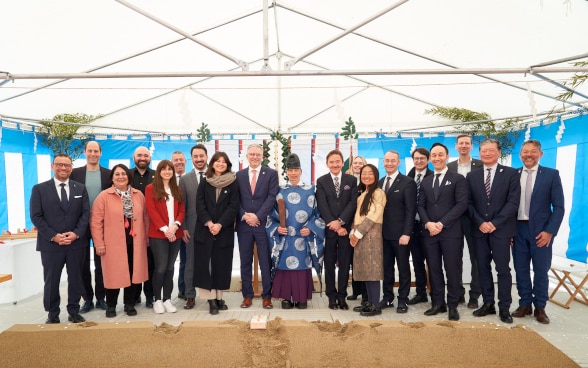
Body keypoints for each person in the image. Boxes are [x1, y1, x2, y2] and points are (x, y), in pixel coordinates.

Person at [30, 154, 90, 324]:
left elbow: (86, 214)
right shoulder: (39, 189)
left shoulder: (80, 188)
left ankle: (74, 311)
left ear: (71, 167)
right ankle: (52, 313)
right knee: (51, 280)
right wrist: (53, 236)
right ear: (52, 166)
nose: (63, 168)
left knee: (76, 278)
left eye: (67, 165)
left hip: (76, 243)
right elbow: (36, 216)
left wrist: (76, 233)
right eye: (59, 165)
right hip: (51, 245)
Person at [511, 139, 565, 324]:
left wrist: (550, 232)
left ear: (540, 154)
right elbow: (507, 205)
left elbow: (559, 207)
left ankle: (540, 307)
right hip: (518, 229)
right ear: (520, 155)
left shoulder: (551, 175)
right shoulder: (513, 175)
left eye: (533, 151)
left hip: (541, 232)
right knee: (520, 269)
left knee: (541, 270)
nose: (529, 155)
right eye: (525, 151)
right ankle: (525, 303)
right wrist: (509, 231)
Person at [467, 138, 520, 324]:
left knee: (503, 269)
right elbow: (469, 203)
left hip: (502, 230)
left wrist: (495, 223)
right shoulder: (472, 176)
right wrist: (480, 222)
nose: (487, 154)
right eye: (483, 151)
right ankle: (488, 303)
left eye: (491, 150)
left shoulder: (511, 174)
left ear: (498, 153)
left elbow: (513, 202)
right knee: (482, 267)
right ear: (479, 153)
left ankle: (504, 307)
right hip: (479, 230)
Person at [266, 153, 325, 309]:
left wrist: (311, 229)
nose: (293, 173)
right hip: (284, 239)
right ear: (286, 172)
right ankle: (286, 297)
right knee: (284, 268)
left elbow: (319, 214)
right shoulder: (279, 191)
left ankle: (301, 296)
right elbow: (269, 216)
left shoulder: (311, 190)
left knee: (301, 269)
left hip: (303, 238)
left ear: (300, 171)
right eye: (290, 170)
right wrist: (276, 228)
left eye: (296, 170)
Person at [90, 164, 149, 318]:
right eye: (117, 174)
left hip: (135, 241)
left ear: (128, 177)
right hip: (112, 243)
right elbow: (96, 222)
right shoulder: (104, 196)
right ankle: (111, 305)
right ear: (112, 178)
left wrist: (147, 238)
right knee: (113, 275)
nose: (121, 176)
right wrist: (99, 243)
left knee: (132, 273)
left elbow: (145, 218)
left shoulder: (138, 195)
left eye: (124, 174)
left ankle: (129, 304)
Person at [418, 143, 468, 321]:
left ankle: (453, 304)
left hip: (450, 232)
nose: (437, 158)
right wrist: (428, 224)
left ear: (447, 157)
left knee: (452, 269)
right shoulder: (425, 181)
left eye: (440, 155)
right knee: (434, 269)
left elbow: (461, 204)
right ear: (430, 159)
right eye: (434, 155)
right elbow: (421, 205)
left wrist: (441, 223)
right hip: (430, 233)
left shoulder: (457, 179)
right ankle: (437, 303)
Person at [194, 152, 240, 315]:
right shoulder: (205, 182)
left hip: (224, 230)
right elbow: (199, 204)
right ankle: (211, 299)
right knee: (206, 265)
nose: (220, 164)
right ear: (212, 163)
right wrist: (209, 223)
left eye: (224, 162)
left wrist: (220, 224)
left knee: (222, 264)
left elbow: (233, 206)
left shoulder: (233, 183)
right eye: (217, 161)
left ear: (228, 165)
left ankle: (220, 297)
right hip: (205, 229)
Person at [236, 144, 279, 309]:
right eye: (252, 154)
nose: (254, 157)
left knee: (265, 261)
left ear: (262, 156)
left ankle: (267, 296)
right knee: (245, 260)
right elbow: (236, 199)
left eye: (257, 154)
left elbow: (271, 196)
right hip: (244, 224)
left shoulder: (271, 174)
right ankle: (247, 295)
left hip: (263, 224)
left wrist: (258, 216)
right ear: (246, 156)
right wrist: (245, 216)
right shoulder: (238, 175)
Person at [70, 141, 111, 313]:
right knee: (82, 263)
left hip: (103, 224)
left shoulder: (109, 174)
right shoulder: (75, 173)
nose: (93, 153)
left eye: (96, 151)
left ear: (101, 153)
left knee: (102, 262)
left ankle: (101, 297)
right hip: (80, 223)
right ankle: (87, 298)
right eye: (90, 150)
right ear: (85, 152)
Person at [316, 149, 358, 310]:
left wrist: (341, 222)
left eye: (337, 161)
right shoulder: (321, 181)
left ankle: (342, 296)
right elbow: (322, 204)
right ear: (327, 164)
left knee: (345, 263)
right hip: (329, 229)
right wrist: (333, 223)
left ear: (342, 163)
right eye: (331, 162)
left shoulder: (351, 180)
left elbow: (353, 203)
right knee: (329, 264)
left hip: (346, 229)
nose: (335, 164)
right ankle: (331, 297)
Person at [448, 134, 484, 308]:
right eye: (460, 143)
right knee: (454, 258)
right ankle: (458, 292)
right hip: (454, 219)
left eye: (467, 143)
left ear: (471, 146)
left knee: (476, 257)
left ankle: (475, 295)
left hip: (474, 218)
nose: (463, 146)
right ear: (456, 146)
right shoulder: (449, 167)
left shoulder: (481, 165)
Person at [378, 150, 416, 314]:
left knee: (403, 268)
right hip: (383, 235)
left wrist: (407, 233)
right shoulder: (379, 183)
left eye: (393, 160)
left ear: (398, 162)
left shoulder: (407, 182)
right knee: (386, 268)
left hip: (401, 235)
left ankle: (403, 299)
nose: (389, 163)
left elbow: (410, 210)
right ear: (383, 162)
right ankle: (387, 298)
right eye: (387, 160)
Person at [145, 160, 185, 314]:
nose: (167, 172)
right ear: (159, 171)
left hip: (176, 233)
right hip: (158, 235)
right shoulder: (150, 189)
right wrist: (166, 230)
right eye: (164, 169)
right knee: (160, 268)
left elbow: (182, 210)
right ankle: (157, 300)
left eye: (170, 169)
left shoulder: (177, 189)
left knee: (170, 267)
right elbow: (152, 211)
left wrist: (175, 226)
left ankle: (167, 299)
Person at [349, 164, 387, 316]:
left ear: (376, 175)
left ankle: (376, 305)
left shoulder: (379, 193)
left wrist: (357, 234)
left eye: (370, 173)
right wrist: (353, 232)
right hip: (360, 234)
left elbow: (373, 216)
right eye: (364, 173)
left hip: (371, 234)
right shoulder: (362, 195)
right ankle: (370, 302)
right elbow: (357, 216)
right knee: (365, 270)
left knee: (373, 271)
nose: (367, 176)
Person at [179, 144, 208, 309]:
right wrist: (183, 227)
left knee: (211, 262)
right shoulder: (184, 179)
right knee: (190, 262)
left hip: (211, 227)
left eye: (201, 156)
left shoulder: (214, 176)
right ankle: (190, 296)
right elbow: (181, 205)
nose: (199, 159)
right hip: (190, 227)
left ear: (206, 156)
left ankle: (211, 296)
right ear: (192, 159)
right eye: (195, 156)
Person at [406, 147, 433, 305]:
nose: (419, 161)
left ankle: (436, 293)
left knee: (433, 261)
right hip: (413, 226)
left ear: (428, 160)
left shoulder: (432, 175)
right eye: (416, 158)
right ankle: (420, 293)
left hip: (429, 225)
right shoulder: (409, 176)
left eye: (422, 158)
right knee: (417, 261)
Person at [130, 146, 156, 308]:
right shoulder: (126, 175)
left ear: (150, 158)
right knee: (134, 262)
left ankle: (150, 295)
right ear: (134, 157)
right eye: (139, 155)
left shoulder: (156, 176)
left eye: (146, 155)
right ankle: (134, 295)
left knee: (151, 263)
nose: (142, 158)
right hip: (131, 228)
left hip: (152, 227)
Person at [345, 155, 367, 302]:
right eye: (355, 163)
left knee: (364, 261)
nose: (358, 165)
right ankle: (355, 290)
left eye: (360, 163)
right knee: (353, 260)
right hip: (349, 225)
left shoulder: (368, 183)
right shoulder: (348, 182)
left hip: (364, 227)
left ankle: (366, 293)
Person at [171, 150, 188, 300]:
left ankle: (184, 289)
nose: (179, 162)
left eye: (181, 160)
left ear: (185, 162)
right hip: (169, 228)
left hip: (186, 227)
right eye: (176, 160)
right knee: (168, 262)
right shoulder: (167, 181)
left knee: (186, 259)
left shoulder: (190, 179)